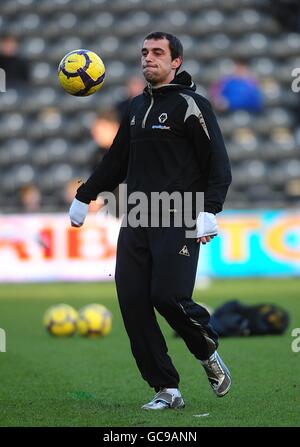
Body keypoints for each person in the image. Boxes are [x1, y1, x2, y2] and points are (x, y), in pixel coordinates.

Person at [69, 32, 232, 410]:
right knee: (132, 301)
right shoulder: (136, 106)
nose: (148, 58)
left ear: (176, 61)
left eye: (157, 53)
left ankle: (206, 349)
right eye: (144, 52)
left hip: (180, 216)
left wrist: (211, 209)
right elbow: (116, 161)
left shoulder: (193, 106)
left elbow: (218, 163)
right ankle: (166, 388)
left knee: (167, 297)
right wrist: (84, 195)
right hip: (137, 217)